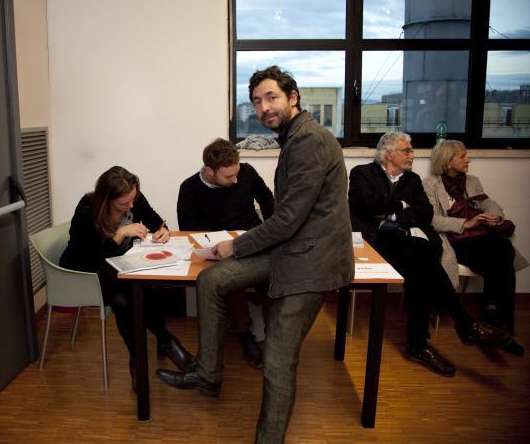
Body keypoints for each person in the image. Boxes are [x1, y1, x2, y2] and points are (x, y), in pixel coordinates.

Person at [156, 66, 354, 443]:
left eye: (271, 97)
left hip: (310, 261)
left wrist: (237, 244)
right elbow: (285, 216)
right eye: (257, 101)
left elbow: (288, 217)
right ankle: (208, 375)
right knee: (212, 280)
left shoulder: (308, 140)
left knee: (277, 361)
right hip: (292, 248)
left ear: (293, 97)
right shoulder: (294, 138)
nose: (264, 107)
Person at [348, 131, 511, 379]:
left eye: (411, 150)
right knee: (423, 259)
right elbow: (366, 205)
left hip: (404, 238)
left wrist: (390, 211)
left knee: (421, 266)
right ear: (389, 154)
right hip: (374, 240)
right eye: (407, 151)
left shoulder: (412, 180)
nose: (412, 155)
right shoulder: (362, 173)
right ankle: (457, 328)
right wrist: (402, 205)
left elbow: (424, 214)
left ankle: (422, 344)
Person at [58, 166, 194, 390]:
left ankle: (144, 357)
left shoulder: (133, 198)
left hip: (117, 267)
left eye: (132, 199)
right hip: (84, 271)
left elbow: (156, 221)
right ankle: (162, 347)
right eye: (124, 203)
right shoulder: (87, 209)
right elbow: (89, 255)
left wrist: (163, 231)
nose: (131, 206)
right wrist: (119, 234)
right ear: (107, 199)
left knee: (149, 289)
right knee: (124, 299)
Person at [177, 137, 274, 369]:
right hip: (219, 249)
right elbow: (188, 230)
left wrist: (272, 230)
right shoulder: (189, 188)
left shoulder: (246, 172)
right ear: (210, 170)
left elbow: (267, 199)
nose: (236, 180)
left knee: (274, 275)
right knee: (229, 279)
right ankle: (245, 333)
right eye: (229, 176)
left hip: (252, 240)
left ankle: (274, 336)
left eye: (237, 173)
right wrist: (214, 246)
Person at [423, 140, 526, 355]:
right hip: (455, 240)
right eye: (462, 156)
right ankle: (497, 322)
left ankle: (495, 321)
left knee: (503, 250)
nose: (468, 160)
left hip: (480, 238)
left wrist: (494, 216)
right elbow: (431, 219)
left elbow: (489, 203)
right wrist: (465, 223)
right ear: (448, 161)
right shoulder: (430, 184)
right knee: (501, 256)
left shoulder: (472, 181)